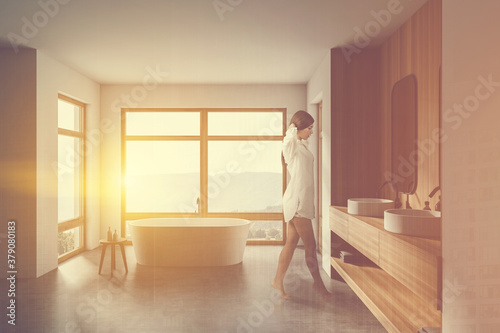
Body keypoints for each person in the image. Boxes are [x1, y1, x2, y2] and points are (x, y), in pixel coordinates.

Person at [271, 110, 331, 299]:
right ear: (299, 128)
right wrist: (292, 128)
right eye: (310, 128)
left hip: (301, 201)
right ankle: (319, 285)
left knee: (290, 244)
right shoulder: (292, 146)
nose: (312, 131)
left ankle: (277, 281)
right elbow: (287, 141)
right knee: (311, 246)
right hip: (297, 203)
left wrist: (299, 133)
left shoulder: (302, 146)